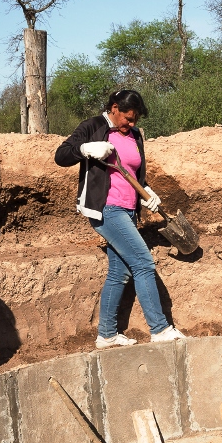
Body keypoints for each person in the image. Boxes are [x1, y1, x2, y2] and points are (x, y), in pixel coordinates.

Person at [55, 89, 184, 348]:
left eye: (135, 119)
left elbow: (133, 172)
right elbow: (61, 155)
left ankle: (107, 334)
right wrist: (85, 148)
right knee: (143, 262)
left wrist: (147, 192)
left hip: (128, 209)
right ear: (114, 108)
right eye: (128, 117)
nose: (132, 124)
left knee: (120, 271)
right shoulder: (93, 126)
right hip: (106, 209)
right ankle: (159, 329)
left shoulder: (135, 135)